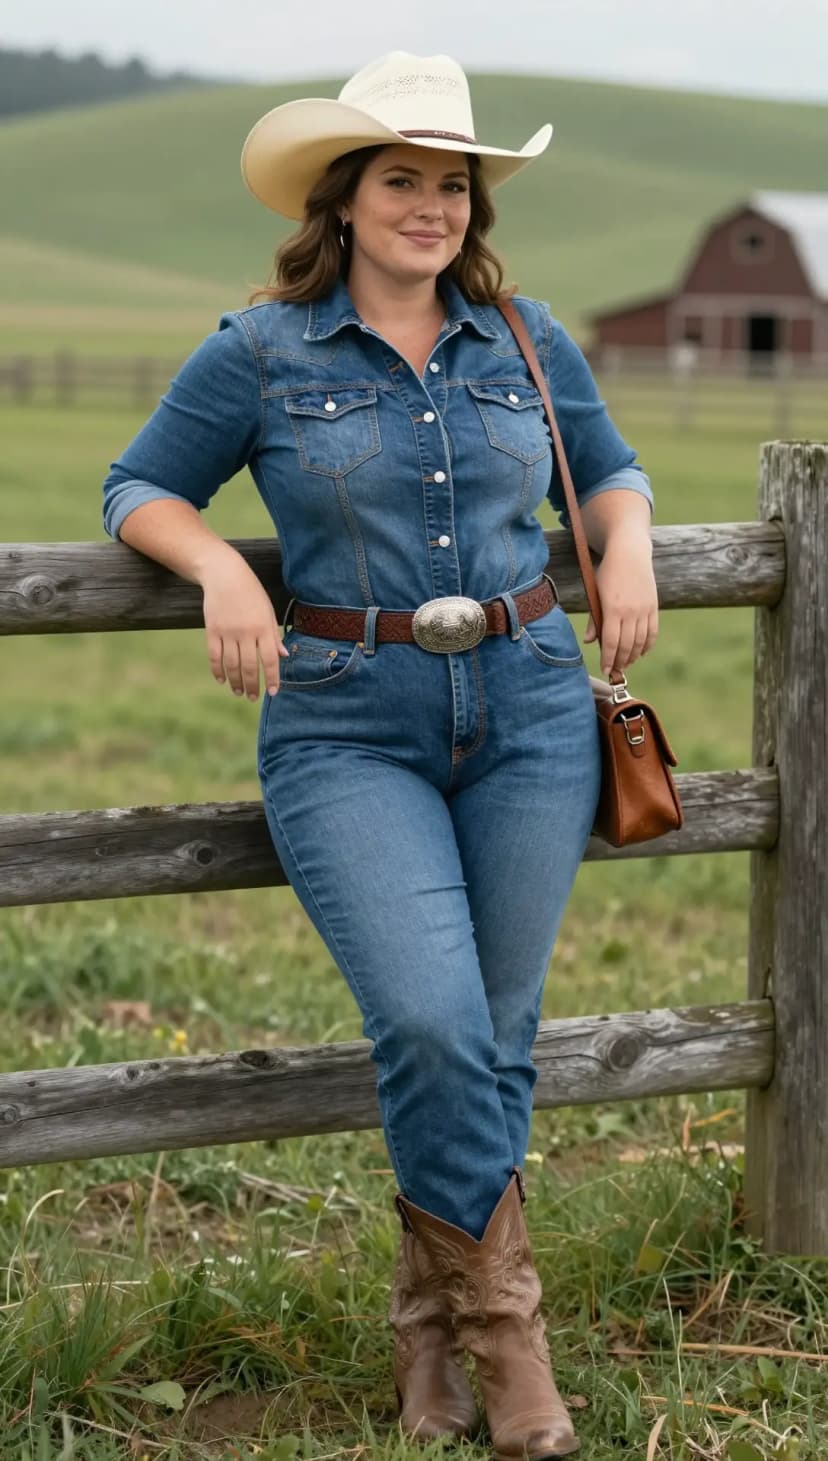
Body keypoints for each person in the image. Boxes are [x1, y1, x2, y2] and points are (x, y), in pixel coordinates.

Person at [101, 50, 657, 1460]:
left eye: (451, 183)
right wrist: (224, 571)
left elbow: (610, 466)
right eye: (401, 178)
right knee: (430, 1021)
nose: (431, 205)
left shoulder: (524, 336)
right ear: (343, 199)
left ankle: (432, 1340)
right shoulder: (261, 350)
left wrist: (633, 543)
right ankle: (511, 1345)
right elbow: (139, 484)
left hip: (531, 707)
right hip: (350, 718)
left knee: (496, 1036)